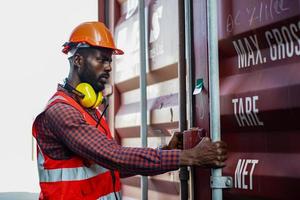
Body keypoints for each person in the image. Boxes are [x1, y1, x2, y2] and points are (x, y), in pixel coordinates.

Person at [32, 21, 227, 200]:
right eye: (101, 60)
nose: (108, 67)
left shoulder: (91, 110)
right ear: (78, 61)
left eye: (110, 61)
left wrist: (166, 152)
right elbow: (113, 155)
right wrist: (191, 156)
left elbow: (111, 167)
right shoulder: (61, 112)